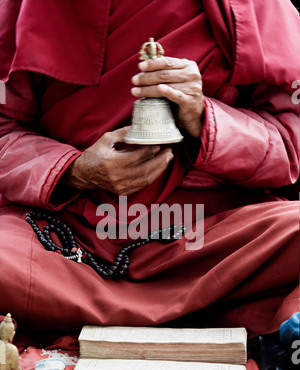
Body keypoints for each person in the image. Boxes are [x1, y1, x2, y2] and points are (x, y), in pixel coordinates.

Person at [0, 0, 299, 348]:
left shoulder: (257, 6)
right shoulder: (32, 7)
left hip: (209, 238)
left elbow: (290, 140)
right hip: (66, 237)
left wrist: (204, 119)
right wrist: (74, 170)